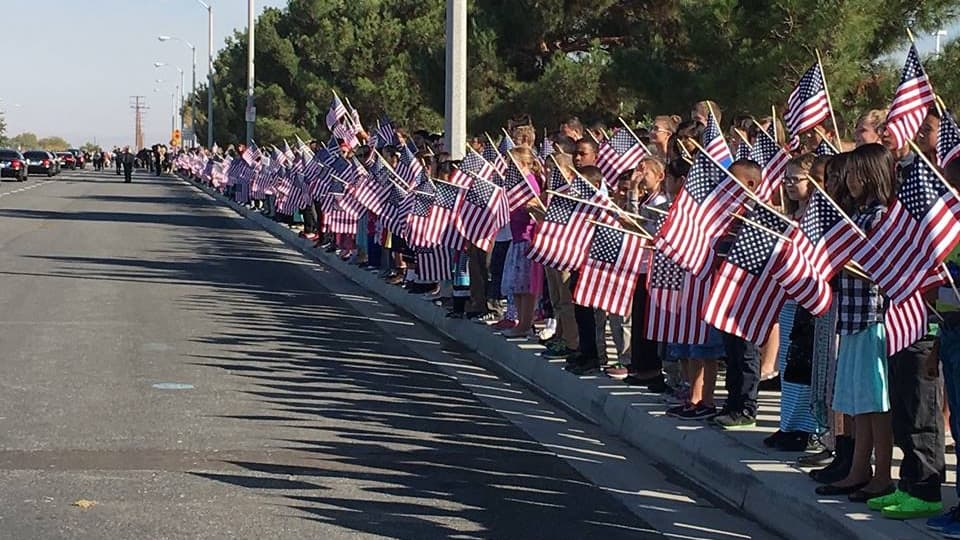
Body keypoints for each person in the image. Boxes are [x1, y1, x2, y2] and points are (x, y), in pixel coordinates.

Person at [816, 144, 896, 503]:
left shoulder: (880, 216)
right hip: (850, 317)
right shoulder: (856, 214)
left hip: (872, 318)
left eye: (858, 173)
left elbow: (884, 269)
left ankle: (882, 475)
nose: (850, 180)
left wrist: (843, 263)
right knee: (858, 402)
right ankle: (858, 469)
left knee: (876, 403)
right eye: (848, 173)